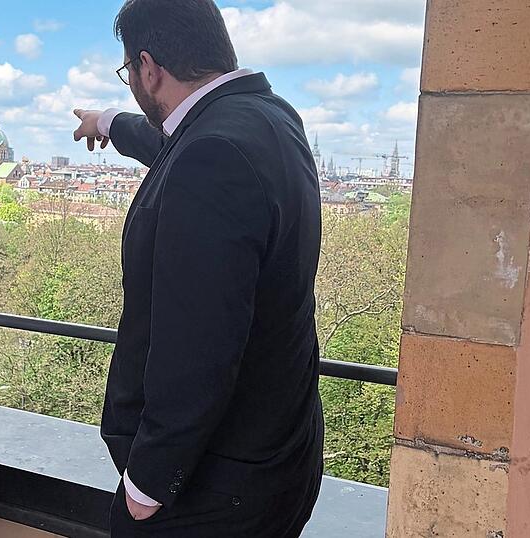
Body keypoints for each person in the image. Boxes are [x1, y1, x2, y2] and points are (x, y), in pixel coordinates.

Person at [72, 1, 324, 536]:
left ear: (148, 67)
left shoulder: (212, 156)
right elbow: (175, 141)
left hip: (210, 489)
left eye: (128, 75)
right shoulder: (267, 118)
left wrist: (148, 483)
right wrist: (110, 122)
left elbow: (198, 346)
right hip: (277, 456)